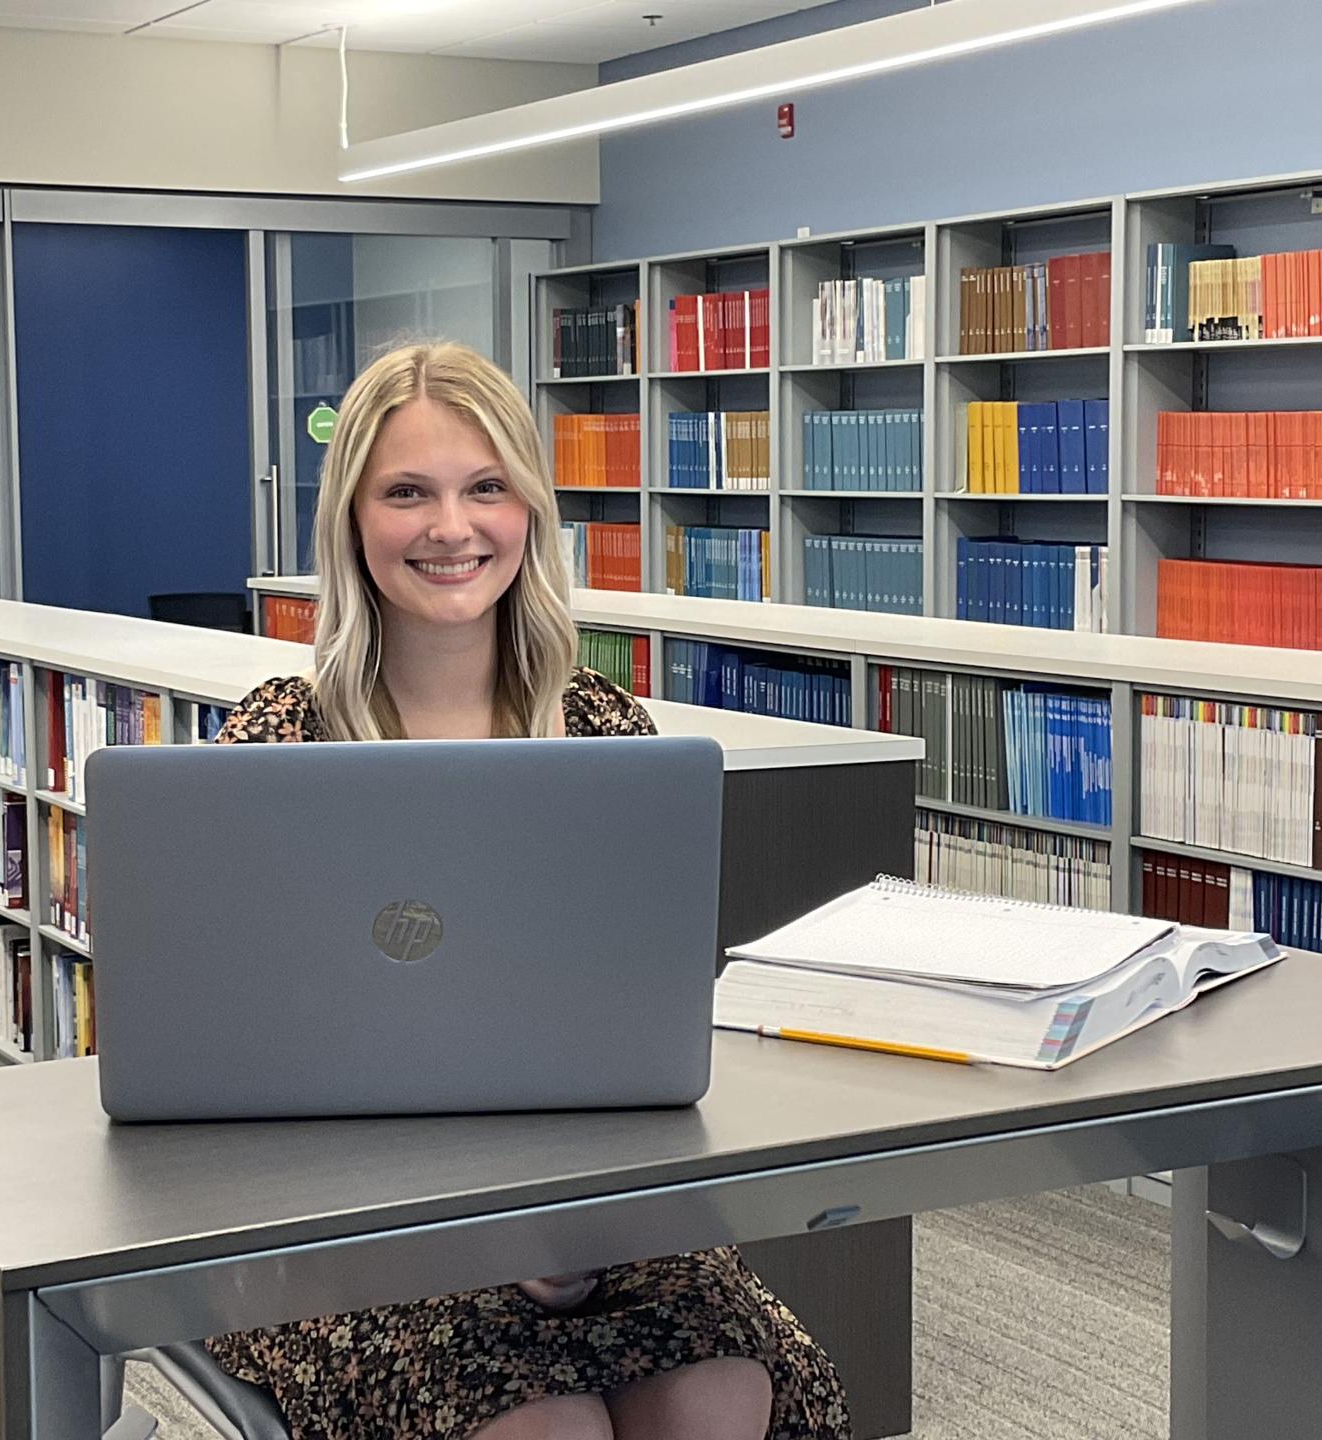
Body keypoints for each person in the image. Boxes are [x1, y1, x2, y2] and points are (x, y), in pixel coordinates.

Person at [208, 341, 849, 1440]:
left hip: (592, 1206)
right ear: (353, 520)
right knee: (543, 1427)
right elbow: (224, 1049)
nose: (451, 527)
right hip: (344, 1222)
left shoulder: (610, 733)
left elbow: (643, 1016)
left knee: (721, 1392)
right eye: (407, 491)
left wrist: (568, 1228)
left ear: (530, 510)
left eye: (485, 486)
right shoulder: (278, 742)